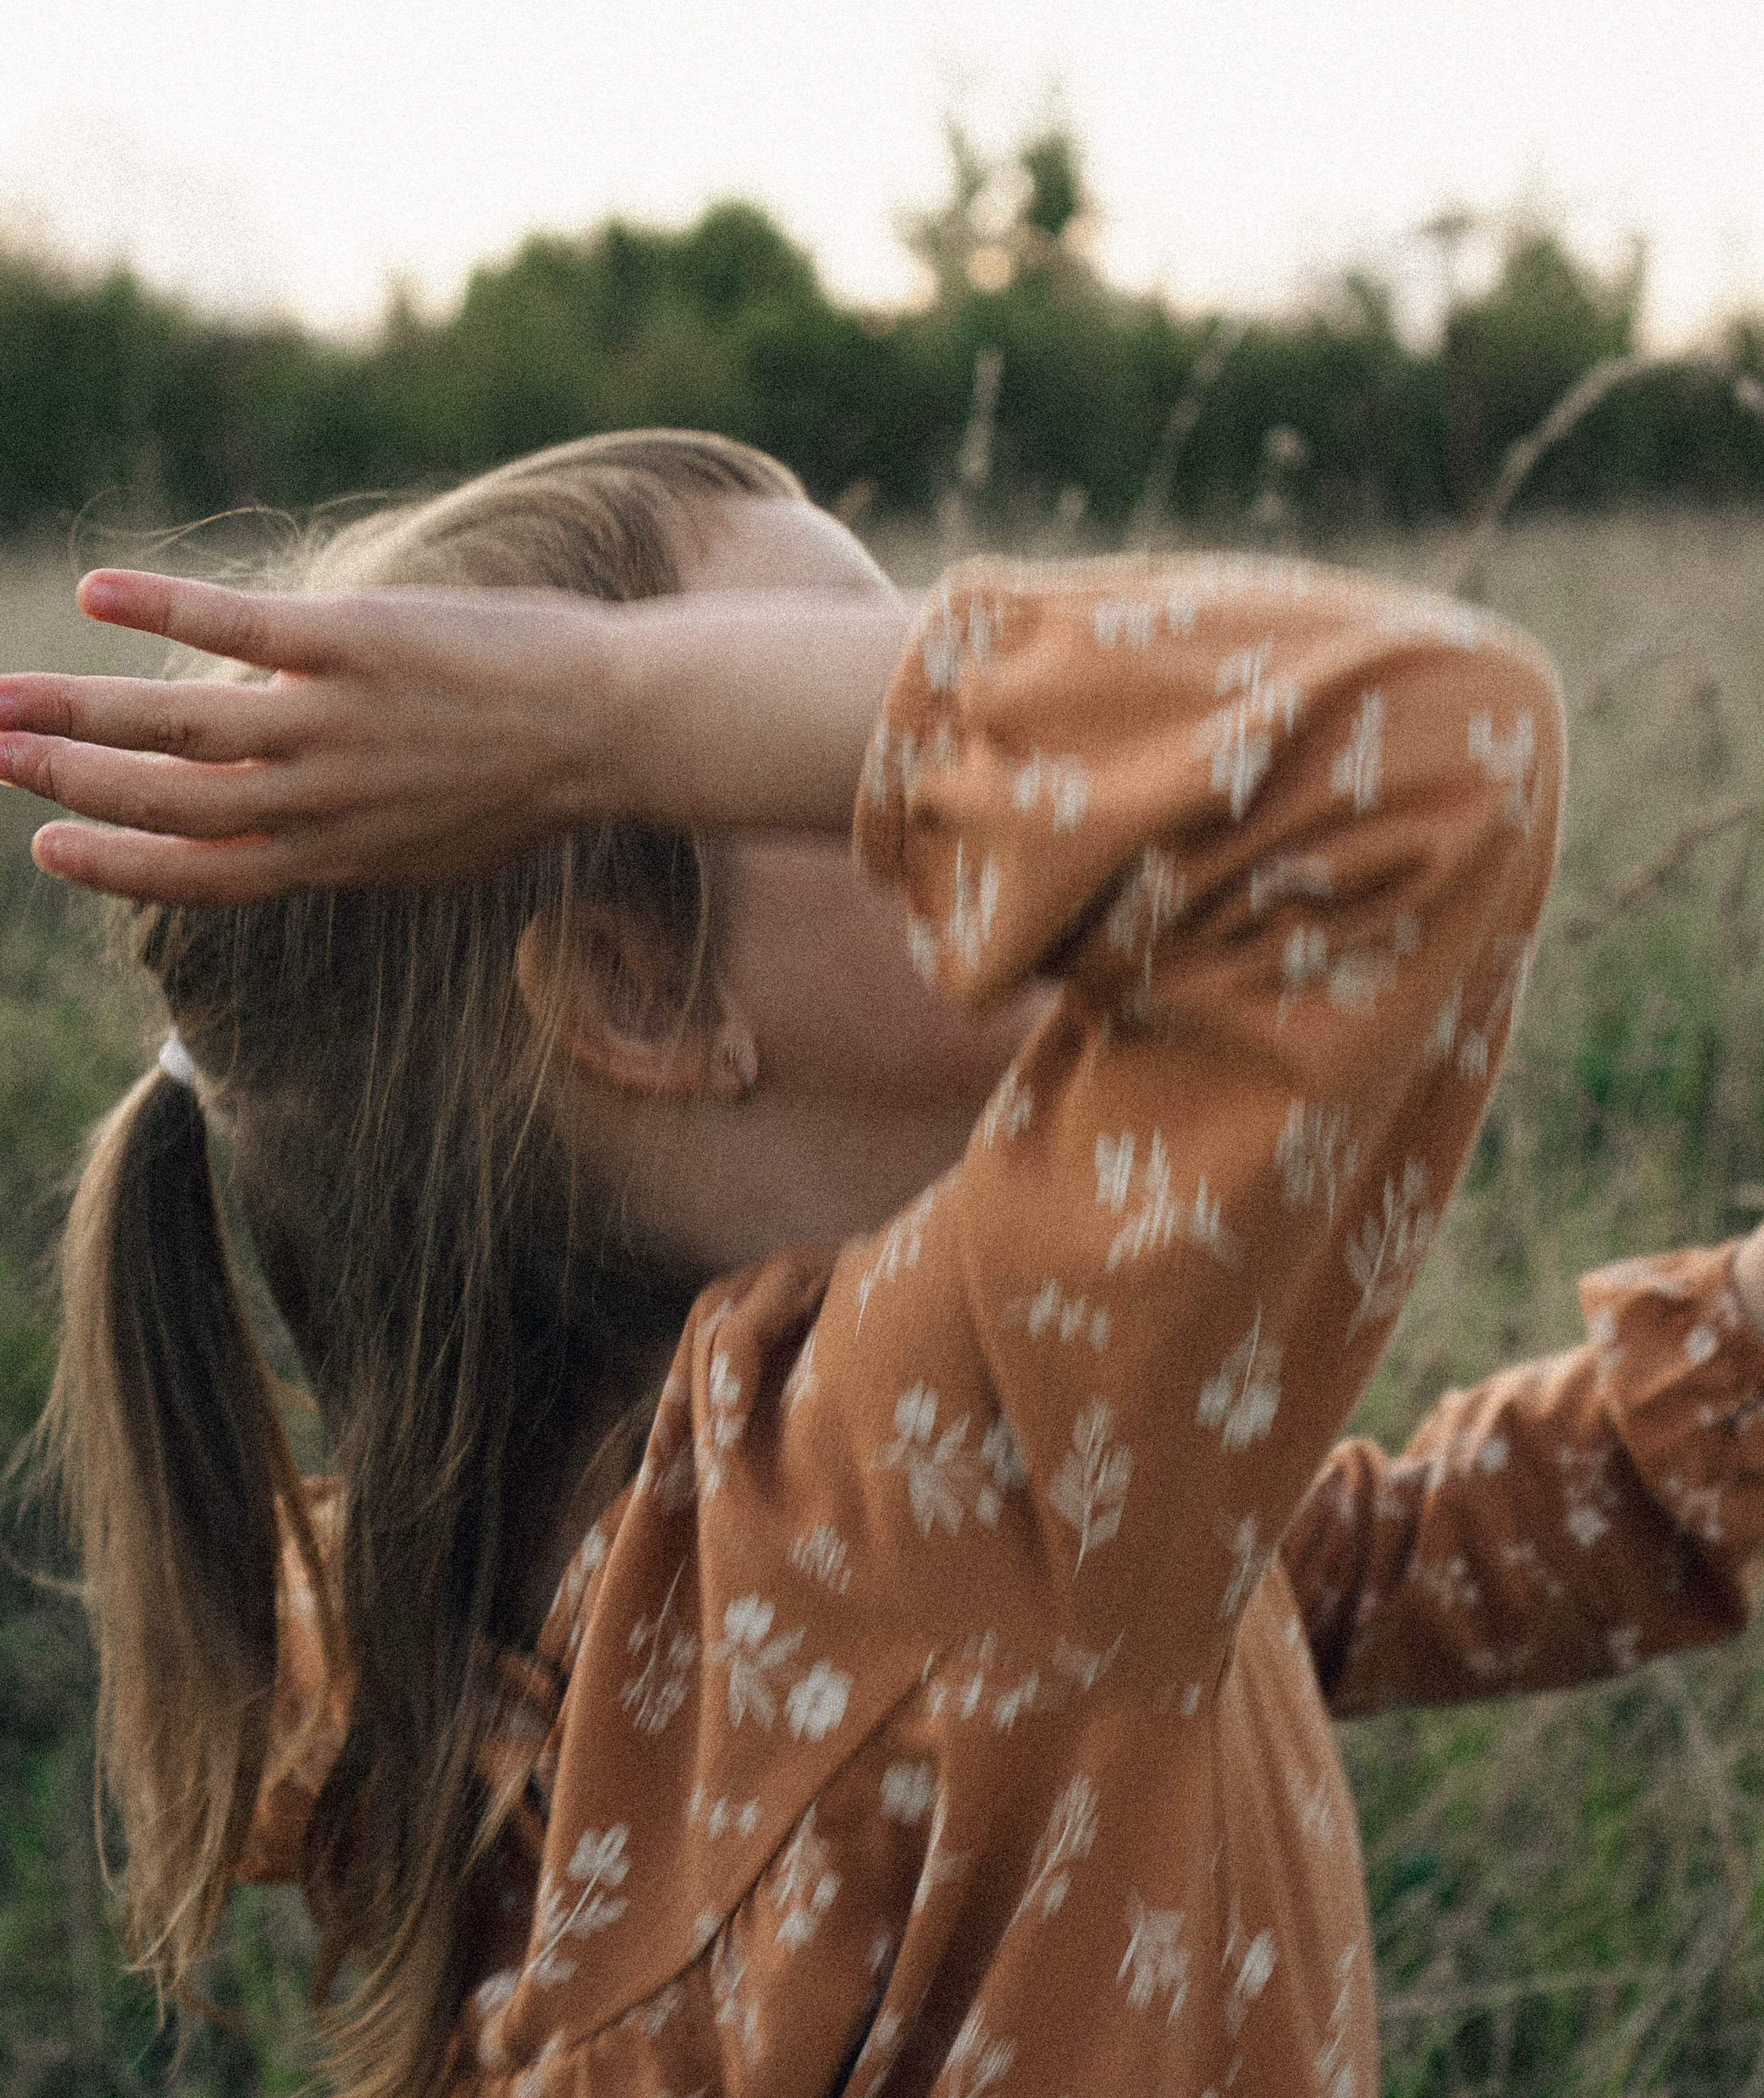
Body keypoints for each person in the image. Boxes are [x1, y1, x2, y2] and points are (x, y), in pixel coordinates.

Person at [4, 427, 1763, 2098]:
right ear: (635, 993)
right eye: (801, 718)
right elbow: (1430, 745)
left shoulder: (599, 1562)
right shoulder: (907, 1491)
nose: (993, 770)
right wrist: (600, 716)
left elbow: (1342, 1578)